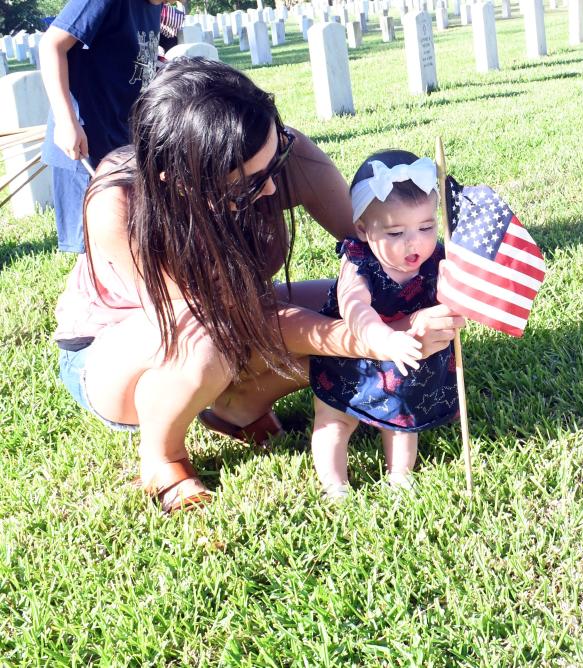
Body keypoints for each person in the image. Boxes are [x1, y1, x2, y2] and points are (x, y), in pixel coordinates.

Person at [52, 58, 463, 514]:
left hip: (236, 315)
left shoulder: (279, 154)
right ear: (183, 182)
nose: (271, 189)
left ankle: (238, 408)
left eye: (276, 161)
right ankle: (162, 457)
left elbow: (368, 244)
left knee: (347, 303)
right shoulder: (119, 204)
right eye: (249, 185)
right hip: (122, 350)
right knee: (208, 344)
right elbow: (232, 319)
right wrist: (372, 340)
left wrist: (420, 292)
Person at [309, 151, 459, 499]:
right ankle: (335, 485)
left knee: (403, 420)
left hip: (406, 361)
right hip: (352, 362)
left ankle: (400, 477)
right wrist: (382, 339)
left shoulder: (435, 255)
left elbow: (454, 290)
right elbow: (354, 307)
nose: (414, 242)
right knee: (335, 421)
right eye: (395, 232)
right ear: (363, 229)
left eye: (426, 227)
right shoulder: (359, 262)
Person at [39, 0, 164, 253]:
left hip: (122, 141)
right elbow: (51, 45)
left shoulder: (155, 7)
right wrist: (66, 122)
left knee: (129, 244)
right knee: (94, 250)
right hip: (85, 141)